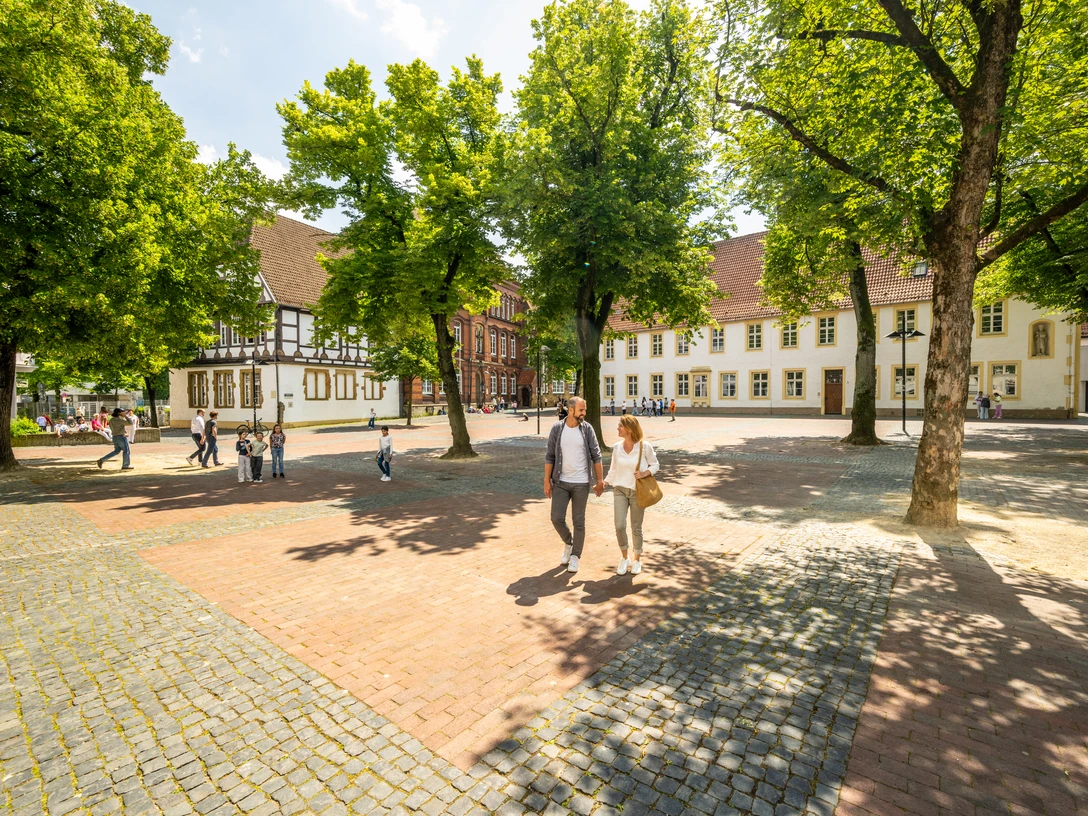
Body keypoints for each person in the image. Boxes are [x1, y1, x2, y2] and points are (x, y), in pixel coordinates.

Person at [544, 396, 605, 574]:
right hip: (561, 482)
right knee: (556, 518)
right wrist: (546, 480)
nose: (584, 413)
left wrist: (600, 481)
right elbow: (550, 456)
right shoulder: (557, 428)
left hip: (581, 483)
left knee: (579, 521)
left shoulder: (587, 429)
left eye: (584, 410)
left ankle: (576, 556)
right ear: (570, 410)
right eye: (581, 410)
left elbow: (596, 455)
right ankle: (569, 543)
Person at [605, 414, 660, 576]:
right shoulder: (616, 447)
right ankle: (625, 557)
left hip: (637, 491)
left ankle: (637, 560)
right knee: (619, 526)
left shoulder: (645, 447)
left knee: (636, 527)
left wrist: (645, 473)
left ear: (629, 429)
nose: (617, 428)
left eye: (620, 426)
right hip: (620, 490)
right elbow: (613, 470)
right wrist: (605, 483)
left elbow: (655, 464)